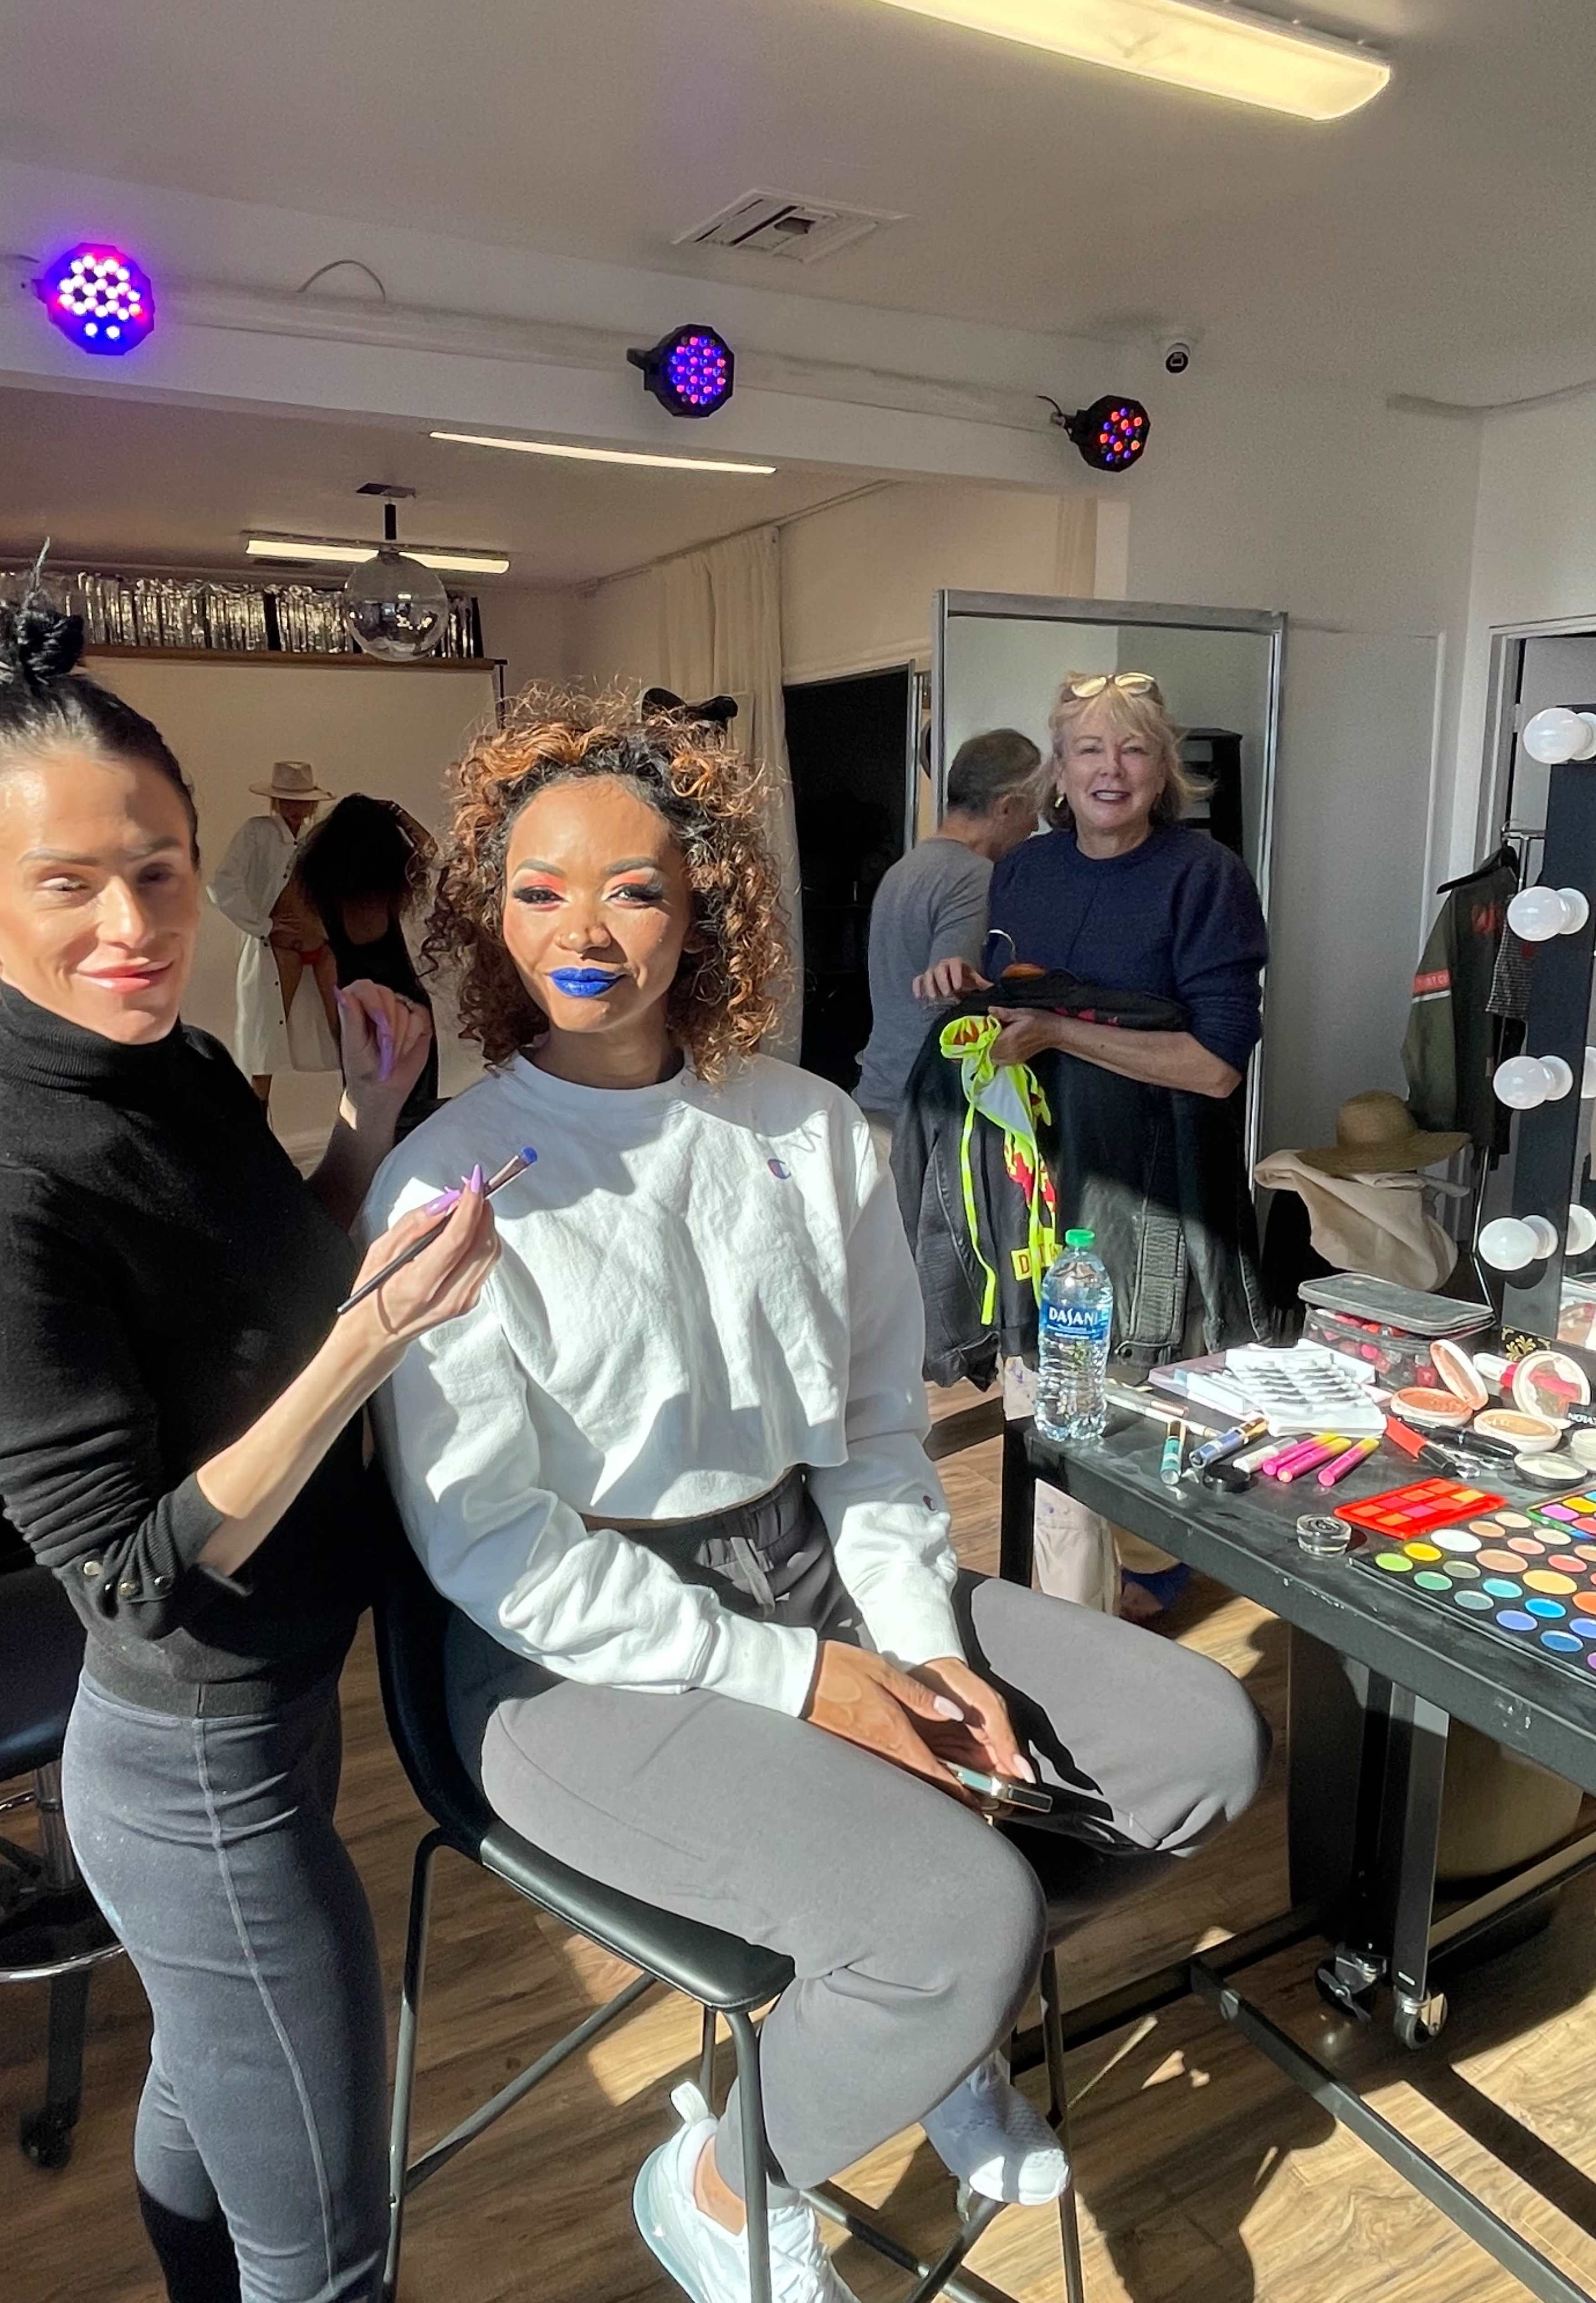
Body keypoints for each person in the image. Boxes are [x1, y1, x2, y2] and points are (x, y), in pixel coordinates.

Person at [364, 693, 1269, 2303]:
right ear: (484, 916)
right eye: (540, 889)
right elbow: (488, 1537)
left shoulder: (804, 1128)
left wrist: (919, 1646)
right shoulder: (450, 1178)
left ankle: (910, 2030)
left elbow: (868, 1434)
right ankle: (723, 2175)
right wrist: (808, 1684)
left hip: (819, 1560)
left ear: (704, 903)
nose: (586, 927)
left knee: (1198, 1747)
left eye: (635, 888)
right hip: (567, 1646)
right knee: (958, 1912)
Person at [0, 598, 498, 2303]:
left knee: (213, 2095)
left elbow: (255, 1304)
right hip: (196, 1763)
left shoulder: (183, 1068)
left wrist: (366, 1140)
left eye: (158, 868)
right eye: (69, 883)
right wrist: (374, 1340)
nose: (133, 924)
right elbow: (134, 1580)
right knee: (332, 2247)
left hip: (282, 1707)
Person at [916, 671, 1269, 1619]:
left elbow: (1216, 1067)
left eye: (1134, 749)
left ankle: (1120, 1598)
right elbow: (1019, 997)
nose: (1111, 770)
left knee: (1138, 1413)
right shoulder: (1026, 869)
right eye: (1089, 750)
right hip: (1039, 1192)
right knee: (1055, 1416)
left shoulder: (1205, 877)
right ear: (1059, 773)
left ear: (1164, 772)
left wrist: (1064, 1032)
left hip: (1153, 1199)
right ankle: (1087, 1615)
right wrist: (970, 988)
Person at [855, 728, 1040, 1165]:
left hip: (880, 1097)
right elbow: (949, 998)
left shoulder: (905, 868)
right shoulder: (975, 876)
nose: (1035, 826)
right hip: (927, 1113)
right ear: (1006, 806)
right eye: (1033, 810)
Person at [295, 793, 440, 1132]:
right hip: (408, 1009)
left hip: (359, 1010)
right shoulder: (391, 891)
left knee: (366, 1115)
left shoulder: (325, 897)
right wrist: (398, 812)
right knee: (415, 1113)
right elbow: (431, 851)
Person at [205, 758, 339, 1104]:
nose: (296, 808)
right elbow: (223, 886)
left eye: (302, 800)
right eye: (289, 799)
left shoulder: (320, 837)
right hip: (279, 948)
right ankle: (258, 1128)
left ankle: (362, 1115)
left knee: (345, 1029)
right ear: (277, 801)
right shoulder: (257, 832)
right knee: (262, 1043)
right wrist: (264, 926)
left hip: (322, 944)